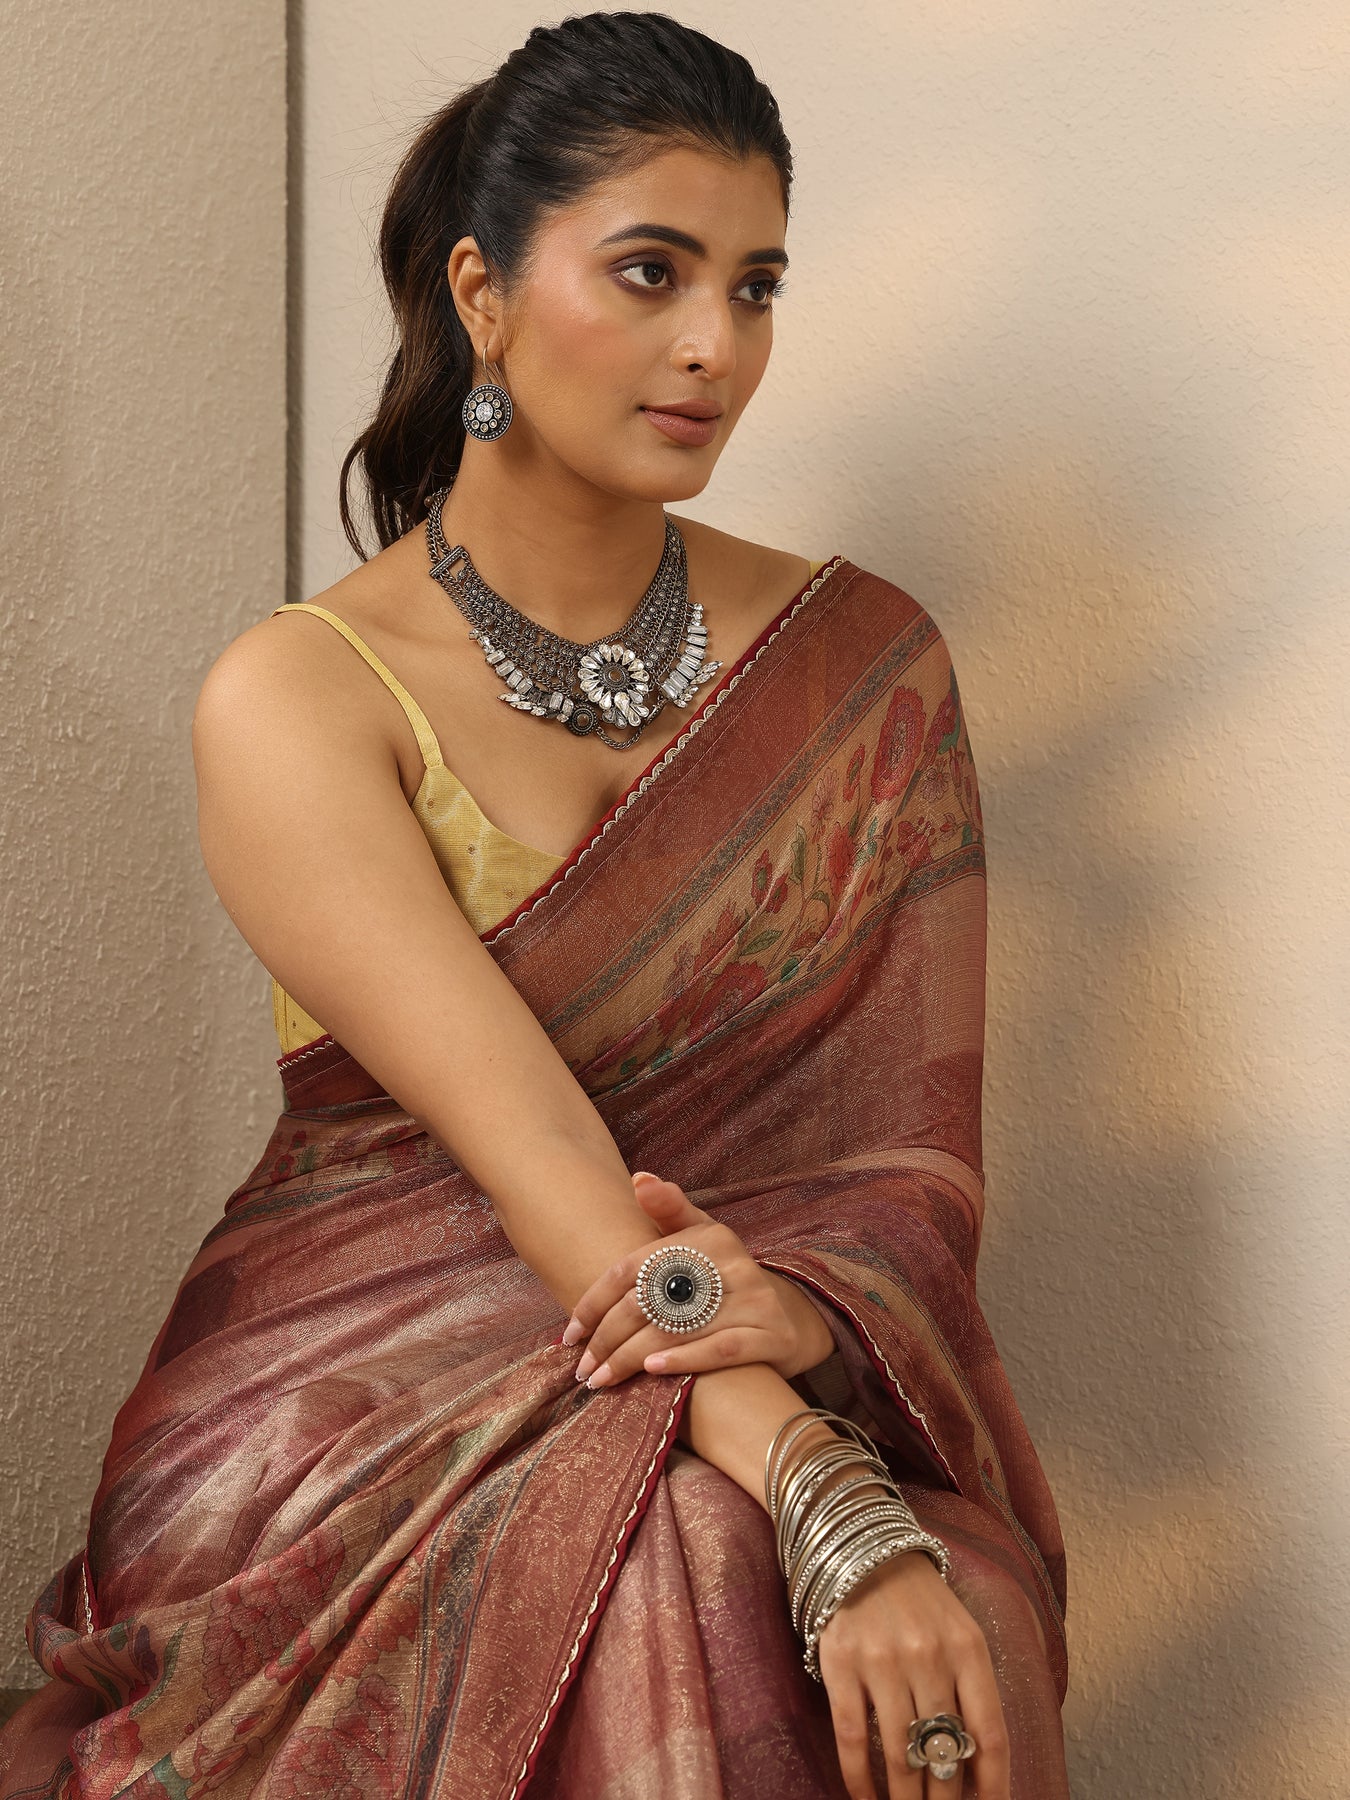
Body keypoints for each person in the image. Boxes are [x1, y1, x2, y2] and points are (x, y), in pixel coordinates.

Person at [0, 13, 1069, 1798]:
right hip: (352, 1386)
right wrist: (814, 1485)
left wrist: (804, 1327)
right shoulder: (301, 697)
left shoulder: (860, 663)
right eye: (650, 273)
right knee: (706, 1560)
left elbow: (904, 1166)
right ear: (483, 294)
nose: (713, 344)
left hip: (728, 1324)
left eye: (753, 286)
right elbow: (536, 1159)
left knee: (939, 1591)